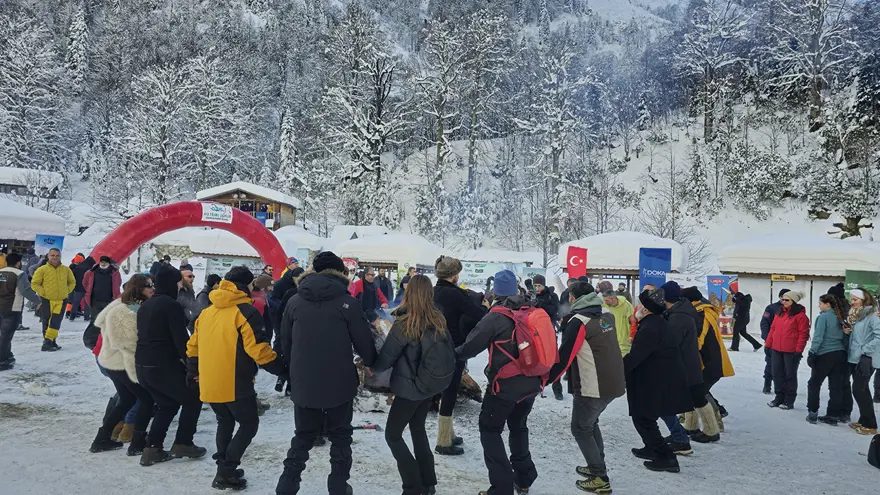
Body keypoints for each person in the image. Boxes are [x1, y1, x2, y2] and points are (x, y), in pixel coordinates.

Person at [276, 252, 377, 495]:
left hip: (303, 383)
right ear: (340, 273)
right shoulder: (347, 302)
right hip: (339, 383)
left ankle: (286, 487)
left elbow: (284, 344)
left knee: (302, 437)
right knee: (341, 437)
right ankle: (338, 487)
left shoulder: (294, 301)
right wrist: (373, 361)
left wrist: (292, 371)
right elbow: (364, 342)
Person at [186, 267, 285, 490]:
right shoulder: (245, 312)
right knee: (249, 424)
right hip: (235, 381)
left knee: (225, 421)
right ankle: (226, 471)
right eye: (252, 285)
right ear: (246, 286)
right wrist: (283, 370)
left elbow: (193, 347)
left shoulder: (207, 312)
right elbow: (259, 350)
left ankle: (224, 466)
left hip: (210, 380)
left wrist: (192, 372)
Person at [456, 270, 541, 495]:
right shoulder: (530, 309)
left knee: (490, 429)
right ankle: (524, 478)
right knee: (518, 426)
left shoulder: (496, 316)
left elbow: (470, 348)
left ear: (495, 291)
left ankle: (502, 488)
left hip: (505, 386)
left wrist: (451, 353)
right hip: (532, 382)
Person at [370, 275, 454, 495]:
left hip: (409, 390)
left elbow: (387, 357)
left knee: (393, 435)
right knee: (418, 430)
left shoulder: (406, 323)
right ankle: (428, 483)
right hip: (429, 385)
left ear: (409, 293)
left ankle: (413, 486)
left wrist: (372, 367)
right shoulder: (438, 319)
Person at [548, 281, 625, 494]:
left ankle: (600, 477)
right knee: (590, 424)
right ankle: (596, 465)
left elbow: (564, 356)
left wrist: (545, 380)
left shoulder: (578, 322)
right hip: (613, 382)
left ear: (573, 298)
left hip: (593, 385)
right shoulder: (606, 316)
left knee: (580, 429)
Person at [135, 264, 206, 466]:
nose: (179, 286)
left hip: (143, 366)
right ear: (171, 283)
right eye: (178, 282)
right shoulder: (170, 305)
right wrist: (194, 366)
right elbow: (181, 341)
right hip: (162, 366)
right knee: (193, 398)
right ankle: (183, 442)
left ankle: (152, 449)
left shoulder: (147, 305)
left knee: (168, 404)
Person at [626, 288, 693, 474]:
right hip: (658, 377)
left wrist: (618, 369)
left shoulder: (650, 327)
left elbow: (636, 356)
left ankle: (666, 457)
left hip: (656, 380)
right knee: (647, 416)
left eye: (639, 305)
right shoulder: (655, 322)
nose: (637, 308)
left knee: (643, 418)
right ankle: (651, 447)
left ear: (646, 310)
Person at [90, 275, 157, 456]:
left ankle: (102, 438)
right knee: (146, 399)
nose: (152, 289)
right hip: (122, 363)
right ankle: (137, 442)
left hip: (114, 361)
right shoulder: (128, 310)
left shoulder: (125, 305)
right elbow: (129, 342)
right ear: (137, 289)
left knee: (127, 399)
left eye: (152, 285)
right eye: (147, 286)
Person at [432, 255, 488, 456]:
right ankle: (443, 441)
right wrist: (485, 306)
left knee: (445, 391)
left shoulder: (432, 291)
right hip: (453, 348)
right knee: (450, 393)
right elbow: (479, 315)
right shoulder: (455, 295)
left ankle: (448, 433)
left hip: (434, 347)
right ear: (454, 274)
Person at [659, 281, 711, 451]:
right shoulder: (681, 311)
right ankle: (689, 428)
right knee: (689, 399)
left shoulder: (679, 316)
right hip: (687, 363)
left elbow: (670, 343)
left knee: (697, 399)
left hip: (685, 365)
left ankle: (711, 430)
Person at [680, 286, 733, 439]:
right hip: (709, 361)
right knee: (693, 393)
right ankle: (691, 426)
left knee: (698, 394)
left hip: (708, 362)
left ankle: (712, 429)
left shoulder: (700, 313)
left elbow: (697, 339)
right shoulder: (702, 311)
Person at [806, 294, 849, 425]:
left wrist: (812, 352)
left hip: (825, 354)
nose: (819, 305)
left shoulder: (823, 318)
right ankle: (833, 415)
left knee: (814, 383)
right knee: (836, 387)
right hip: (840, 354)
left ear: (827, 304)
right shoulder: (840, 318)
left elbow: (818, 337)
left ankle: (813, 412)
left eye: (820, 303)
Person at [765, 291, 810, 410]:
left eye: (787, 300)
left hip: (791, 351)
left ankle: (789, 400)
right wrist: (768, 344)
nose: (783, 302)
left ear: (793, 302)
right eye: (782, 299)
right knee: (777, 374)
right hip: (776, 349)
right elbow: (772, 329)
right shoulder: (779, 313)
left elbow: (803, 334)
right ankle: (779, 397)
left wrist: (798, 350)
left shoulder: (800, 316)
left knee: (789, 375)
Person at [845, 288, 880, 435]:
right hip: (856, 357)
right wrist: (850, 331)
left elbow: (878, 336)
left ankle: (871, 425)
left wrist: (865, 349)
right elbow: (863, 333)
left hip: (867, 358)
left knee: (859, 389)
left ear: (864, 300)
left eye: (855, 299)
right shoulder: (858, 315)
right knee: (861, 389)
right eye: (851, 299)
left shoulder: (872, 315)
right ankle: (863, 419)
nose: (852, 302)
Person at [0, 253, 42, 370]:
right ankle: (2, 360)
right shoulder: (20, 274)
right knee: (6, 336)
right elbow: (26, 290)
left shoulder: (2, 272)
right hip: (12, 308)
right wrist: (38, 301)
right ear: (18, 263)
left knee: (4, 335)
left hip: (1, 307)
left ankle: (8, 355)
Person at [31, 248, 75, 351]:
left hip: (61, 300)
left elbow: (72, 282)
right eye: (52, 255)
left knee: (56, 322)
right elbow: (34, 284)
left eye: (57, 255)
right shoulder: (42, 269)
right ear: (48, 256)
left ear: (60, 256)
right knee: (47, 322)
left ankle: (51, 341)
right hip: (47, 300)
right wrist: (43, 292)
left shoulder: (66, 269)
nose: (55, 257)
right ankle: (47, 343)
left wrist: (67, 290)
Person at [760, 289, 790, 394]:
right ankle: (767, 385)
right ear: (780, 297)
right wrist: (767, 338)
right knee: (770, 364)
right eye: (785, 298)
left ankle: (784, 387)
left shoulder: (794, 310)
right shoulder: (772, 308)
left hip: (787, 344)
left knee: (786, 367)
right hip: (773, 342)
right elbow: (764, 323)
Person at [83, 256, 122, 322]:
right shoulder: (92, 272)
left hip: (108, 301)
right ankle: (92, 332)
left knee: (107, 320)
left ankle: (104, 332)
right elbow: (85, 283)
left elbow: (118, 283)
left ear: (109, 263)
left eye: (105, 262)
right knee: (95, 321)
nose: (103, 264)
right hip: (95, 301)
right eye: (102, 262)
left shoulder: (114, 273)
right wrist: (89, 290)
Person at [602, 290, 635, 357]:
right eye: (604, 300)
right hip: (610, 341)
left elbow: (633, 322)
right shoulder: (604, 306)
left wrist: (632, 336)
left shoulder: (626, 305)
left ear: (613, 298)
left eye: (607, 300)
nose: (605, 302)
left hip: (624, 342)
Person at [68, 254, 93, 321]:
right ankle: (86, 317)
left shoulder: (77, 268)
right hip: (87, 289)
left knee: (75, 303)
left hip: (78, 289)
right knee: (87, 303)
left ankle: (72, 316)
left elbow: (73, 277)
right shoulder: (90, 270)